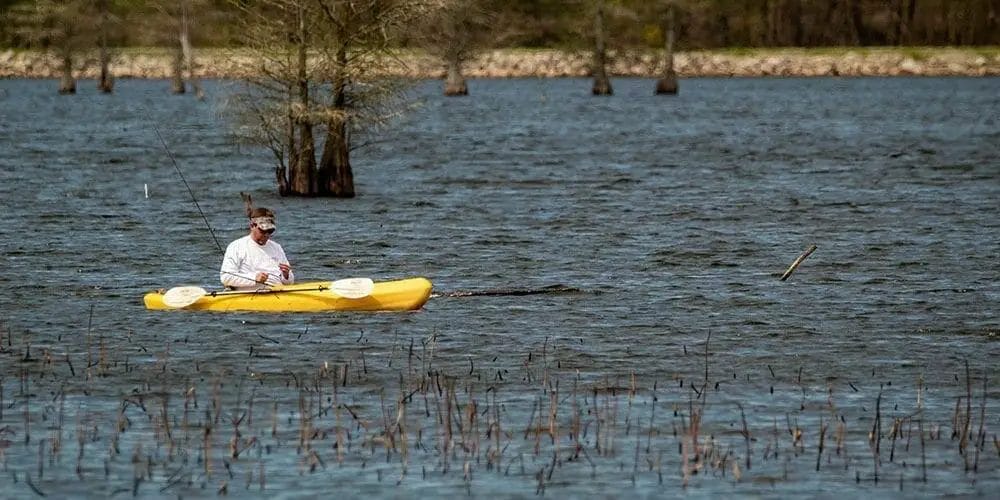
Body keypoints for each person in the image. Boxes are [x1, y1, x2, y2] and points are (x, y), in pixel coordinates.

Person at [220, 207, 295, 290]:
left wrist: (286, 275)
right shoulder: (236, 246)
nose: (266, 235)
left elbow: (289, 282)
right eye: (262, 231)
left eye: (270, 231)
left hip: (279, 293)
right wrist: (255, 278)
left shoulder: (277, 247)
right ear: (252, 226)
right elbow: (226, 277)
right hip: (251, 296)